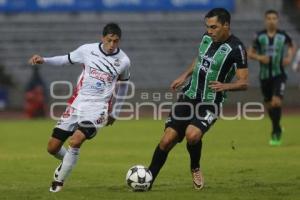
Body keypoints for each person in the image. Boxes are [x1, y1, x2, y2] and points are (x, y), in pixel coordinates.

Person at [148, 8, 248, 190]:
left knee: (192, 135)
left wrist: (226, 86)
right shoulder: (206, 38)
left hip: (211, 102)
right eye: (207, 27)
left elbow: (244, 82)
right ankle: (147, 179)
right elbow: (199, 59)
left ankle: (195, 167)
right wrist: (184, 75)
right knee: (167, 140)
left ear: (226, 25)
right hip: (189, 95)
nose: (209, 30)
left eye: (214, 27)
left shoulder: (237, 49)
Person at [28, 23, 130, 192]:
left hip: (98, 108)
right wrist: (44, 59)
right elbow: (65, 59)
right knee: (52, 147)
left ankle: (58, 182)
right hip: (77, 104)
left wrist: (115, 111)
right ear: (102, 38)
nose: (112, 45)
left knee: (75, 141)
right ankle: (68, 160)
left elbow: (124, 85)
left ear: (119, 41)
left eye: (116, 41)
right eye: (109, 40)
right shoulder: (87, 50)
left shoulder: (124, 61)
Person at [248, 10, 295, 146]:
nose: (271, 20)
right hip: (264, 77)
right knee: (269, 105)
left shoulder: (283, 35)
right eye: (269, 18)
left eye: (274, 18)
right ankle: (278, 126)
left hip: (279, 74)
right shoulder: (259, 36)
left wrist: (289, 57)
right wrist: (260, 57)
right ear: (265, 20)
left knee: (276, 102)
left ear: (278, 20)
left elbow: (292, 46)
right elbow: (249, 53)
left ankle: (275, 132)